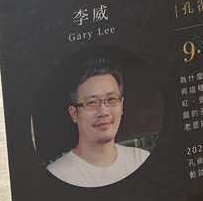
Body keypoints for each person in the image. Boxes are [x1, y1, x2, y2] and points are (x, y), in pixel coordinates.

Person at [47, 59, 150, 187]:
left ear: (122, 106)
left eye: (111, 99)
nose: (103, 112)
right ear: (74, 114)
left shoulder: (140, 160)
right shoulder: (58, 174)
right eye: (92, 102)